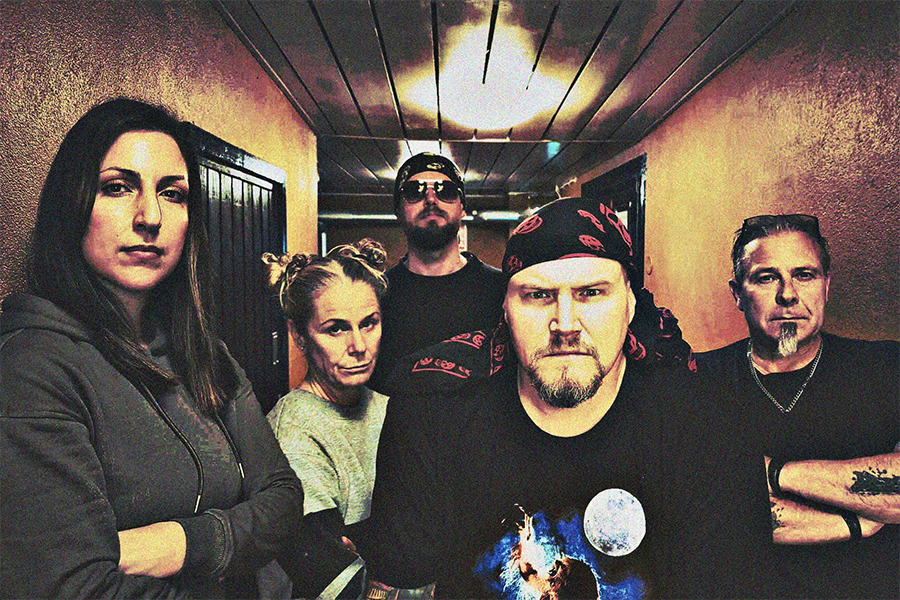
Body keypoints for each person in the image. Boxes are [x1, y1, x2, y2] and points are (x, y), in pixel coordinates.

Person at [356, 197, 766, 599]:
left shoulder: (706, 424)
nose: (565, 324)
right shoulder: (431, 415)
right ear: (506, 310)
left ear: (629, 306)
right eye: (538, 295)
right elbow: (401, 580)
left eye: (591, 293)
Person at [0, 98, 304, 598]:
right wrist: (238, 543)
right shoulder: (33, 368)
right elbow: (75, 589)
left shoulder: (205, 353)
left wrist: (180, 542)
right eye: (117, 187)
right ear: (73, 204)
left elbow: (284, 498)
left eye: (173, 193)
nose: (150, 216)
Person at [695, 213, 899, 599]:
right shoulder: (697, 380)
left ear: (826, 286)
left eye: (804, 275)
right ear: (737, 294)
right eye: (766, 277)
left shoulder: (886, 367)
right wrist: (856, 522)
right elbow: (697, 511)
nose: (788, 294)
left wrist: (774, 473)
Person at [263, 239, 389, 599]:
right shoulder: (293, 429)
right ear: (299, 335)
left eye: (369, 324)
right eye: (336, 329)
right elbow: (333, 579)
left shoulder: (390, 409)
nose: (359, 346)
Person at [367, 152, 506, 393]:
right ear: (398, 209)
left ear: (462, 207)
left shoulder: (502, 290)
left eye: (446, 191)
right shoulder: (375, 295)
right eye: (415, 191)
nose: (431, 199)